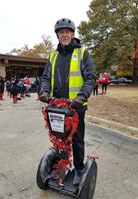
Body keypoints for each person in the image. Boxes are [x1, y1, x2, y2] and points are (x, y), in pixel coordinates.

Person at [39, 18, 95, 185]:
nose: (64, 35)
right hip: (56, 106)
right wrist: (44, 91)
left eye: (67, 32)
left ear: (72, 34)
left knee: (77, 139)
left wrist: (82, 96)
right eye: (61, 32)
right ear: (57, 35)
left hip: (76, 107)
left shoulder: (82, 53)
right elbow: (46, 77)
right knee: (58, 137)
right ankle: (61, 164)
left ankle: (78, 169)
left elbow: (91, 78)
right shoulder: (53, 56)